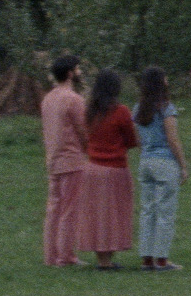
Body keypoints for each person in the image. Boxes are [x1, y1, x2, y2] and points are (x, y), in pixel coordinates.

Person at [82, 68, 138, 270]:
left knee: (97, 214)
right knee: (114, 214)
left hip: (92, 168)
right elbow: (132, 139)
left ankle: (101, 258)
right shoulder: (121, 111)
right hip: (115, 168)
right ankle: (107, 260)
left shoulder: (89, 111)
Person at [134, 66, 188, 271]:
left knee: (147, 211)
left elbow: (138, 139)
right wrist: (183, 165)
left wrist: (145, 153)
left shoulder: (138, 108)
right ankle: (162, 259)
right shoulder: (166, 108)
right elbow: (173, 139)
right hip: (165, 161)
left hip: (146, 161)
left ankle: (146, 258)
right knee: (165, 212)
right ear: (161, 82)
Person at [41, 55, 89, 267]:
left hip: (53, 160)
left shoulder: (47, 99)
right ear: (70, 73)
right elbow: (83, 131)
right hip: (72, 160)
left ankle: (51, 256)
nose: (79, 72)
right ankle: (67, 256)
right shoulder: (74, 99)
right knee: (70, 210)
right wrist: (90, 151)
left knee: (54, 210)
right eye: (78, 69)